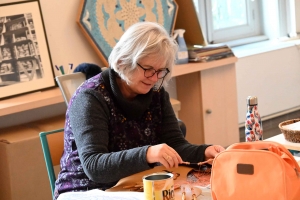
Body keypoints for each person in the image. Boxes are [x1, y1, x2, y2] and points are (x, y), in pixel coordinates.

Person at [54, 21, 225, 199]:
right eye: (148, 69)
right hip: (85, 192)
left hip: (131, 185)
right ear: (122, 63)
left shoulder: (157, 93)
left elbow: (175, 145)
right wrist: (148, 153)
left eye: (160, 71)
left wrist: (205, 151)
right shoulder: (90, 97)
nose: (154, 78)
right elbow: (94, 167)